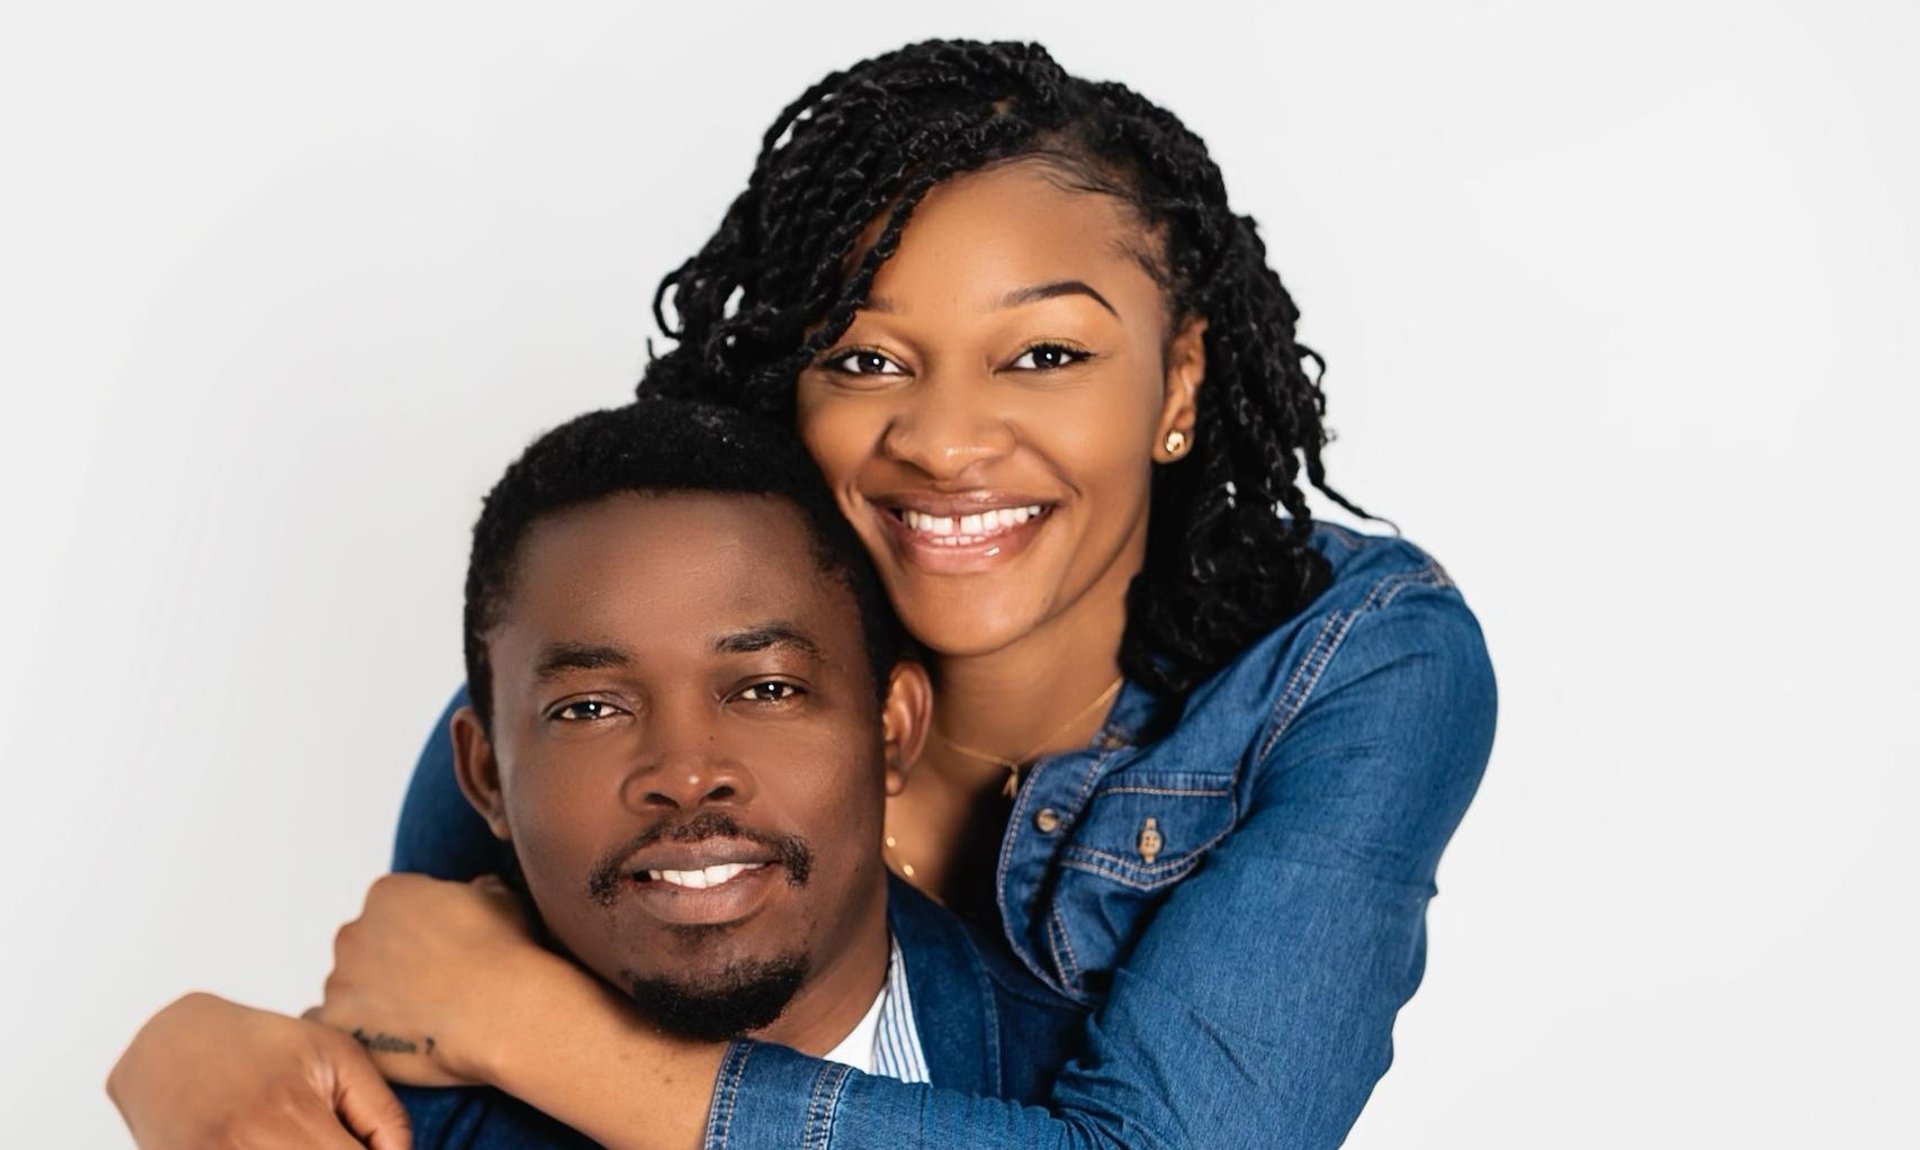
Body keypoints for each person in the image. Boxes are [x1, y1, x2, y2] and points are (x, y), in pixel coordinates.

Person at [110, 38, 1496, 1150]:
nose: (947, 441)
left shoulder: (1350, 665)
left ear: (1180, 382)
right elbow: (404, 1052)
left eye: (1045, 355)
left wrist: (551, 1034)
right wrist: (184, 1053)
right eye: (869, 359)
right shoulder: (620, 695)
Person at [376, 399, 1083, 1149]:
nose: (686, 775)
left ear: (892, 730)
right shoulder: (357, 1127)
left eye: (767, 690)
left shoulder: (1089, 1100)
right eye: (590, 708)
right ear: (484, 774)